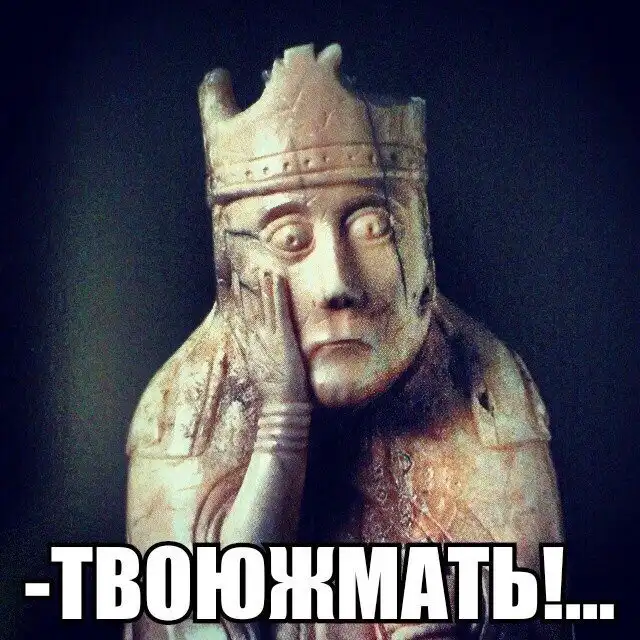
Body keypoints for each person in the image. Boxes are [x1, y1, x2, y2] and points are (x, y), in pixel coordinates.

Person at [126, 43, 566, 639]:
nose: (337, 283)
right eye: (290, 239)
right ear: (233, 265)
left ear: (420, 241)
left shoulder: (487, 388)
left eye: (372, 227)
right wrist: (282, 420)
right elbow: (198, 619)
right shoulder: (183, 408)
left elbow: (529, 612)